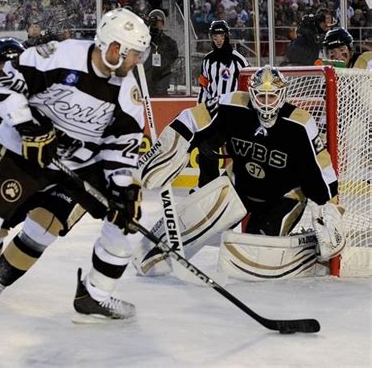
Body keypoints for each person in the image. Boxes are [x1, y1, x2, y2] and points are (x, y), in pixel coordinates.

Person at [0, 8, 151, 334]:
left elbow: (122, 142)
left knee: (126, 221)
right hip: (26, 155)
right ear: (113, 47)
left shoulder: (127, 90)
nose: (137, 60)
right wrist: (29, 126)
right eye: (133, 53)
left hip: (81, 164)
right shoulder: (60, 56)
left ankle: (96, 295)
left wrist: (121, 184)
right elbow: (1, 82)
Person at [134, 65, 345, 278]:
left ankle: (308, 253)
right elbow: (192, 118)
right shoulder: (233, 104)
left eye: (271, 97)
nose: (265, 104)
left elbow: (320, 167)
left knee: (256, 247)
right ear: (251, 94)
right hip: (239, 186)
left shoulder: (299, 124)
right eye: (260, 97)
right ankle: (155, 251)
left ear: (282, 97)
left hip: (283, 197)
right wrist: (170, 147)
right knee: (196, 218)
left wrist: (328, 207)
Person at [0, 37, 86, 304]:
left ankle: (0, 278)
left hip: (68, 178)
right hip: (27, 177)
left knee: (43, 226)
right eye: (1, 67)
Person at [196, 19, 249, 187]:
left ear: (227, 36)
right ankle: (206, 185)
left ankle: (243, 184)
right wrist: (200, 110)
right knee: (204, 146)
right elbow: (204, 87)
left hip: (234, 116)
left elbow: (248, 87)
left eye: (221, 35)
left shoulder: (238, 60)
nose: (218, 39)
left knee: (240, 151)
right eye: (215, 36)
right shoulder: (207, 61)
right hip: (214, 115)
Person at [143, 9, 178, 96]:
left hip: (162, 80)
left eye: (158, 21)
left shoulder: (170, 42)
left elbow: (172, 57)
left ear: (163, 23)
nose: (155, 24)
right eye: (153, 21)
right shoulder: (142, 40)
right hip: (145, 82)